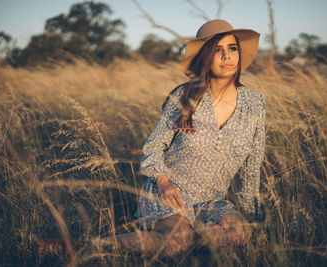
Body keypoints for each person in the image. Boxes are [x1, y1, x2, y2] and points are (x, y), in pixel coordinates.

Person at [94, 19, 265, 256]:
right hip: (171, 192)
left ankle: (149, 234)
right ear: (205, 57)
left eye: (232, 48)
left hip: (212, 200)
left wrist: (252, 217)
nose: (227, 56)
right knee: (177, 242)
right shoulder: (184, 95)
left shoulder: (255, 103)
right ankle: (84, 247)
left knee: (239, 233)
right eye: (217, 50)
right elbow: (153, 146)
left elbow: (251, 167)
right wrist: (163, 181)